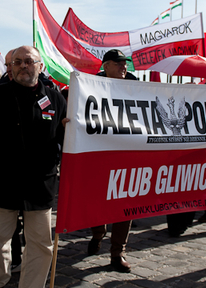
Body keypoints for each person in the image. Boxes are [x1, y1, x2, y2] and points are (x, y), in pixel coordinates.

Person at [0, 46, 67, 288]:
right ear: (11, 67)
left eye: (29, 61)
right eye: (17, 62)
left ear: (40, 66)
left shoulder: (56, 98)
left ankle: (32, 285)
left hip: (40, 185)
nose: (23, 66)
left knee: (40, 242)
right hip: (1, 182)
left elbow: (64, 137)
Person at [88, 49, 136, 272]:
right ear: (105, 66)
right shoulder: (89, 85)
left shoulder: (136, 86)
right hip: (100, 154)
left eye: (124, 63)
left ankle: (118, 252)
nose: (123, 67)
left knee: (125, 204)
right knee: (98, 201)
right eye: (118, 64)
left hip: (127, 153)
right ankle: (98, 233)